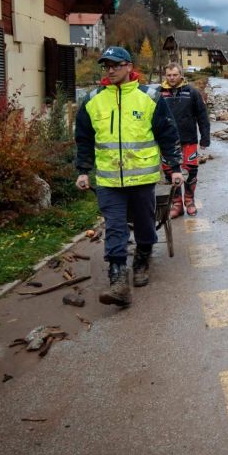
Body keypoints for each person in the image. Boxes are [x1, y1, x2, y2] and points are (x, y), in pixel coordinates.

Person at [74, 46, 183, 306]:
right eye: (106, 66)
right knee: (114, 226)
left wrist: (175, 167)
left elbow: (167, 134)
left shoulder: (149, 97)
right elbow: (84, 139)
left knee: (145, 223)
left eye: (116, 65)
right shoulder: (93, 100)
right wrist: (83, 171)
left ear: (128, 66)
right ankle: (118, 279)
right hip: (109, 180)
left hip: (142, 179)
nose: (110, 70)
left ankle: (142, 258)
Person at [158, 63, 210, 217]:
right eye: (169, 75)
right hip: (167, 142)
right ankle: (177, 204)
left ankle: (189, 201)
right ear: (165, 76)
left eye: (175, 75)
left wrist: (205, 138)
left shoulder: (192, 93)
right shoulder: (158, 94)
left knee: (191, 171)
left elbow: (202, 116)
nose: (172, 78)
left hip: (189, 140)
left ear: (181, 75)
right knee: (169, 173)